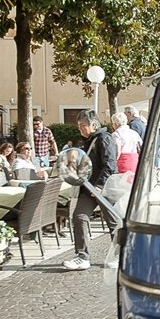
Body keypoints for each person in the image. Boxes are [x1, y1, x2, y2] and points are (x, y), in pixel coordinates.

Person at [62, 110, 117, 272]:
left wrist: (100, 185)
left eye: (83, 125)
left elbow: (110, 165)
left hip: (102, 188)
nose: (80, 128)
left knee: (113, 222)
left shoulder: (104, 138)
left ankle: (120, 254)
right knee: (79, 217)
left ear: (93, 125)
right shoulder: (88, 141)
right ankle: (82, 256)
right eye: (79, 125)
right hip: (88, 188)